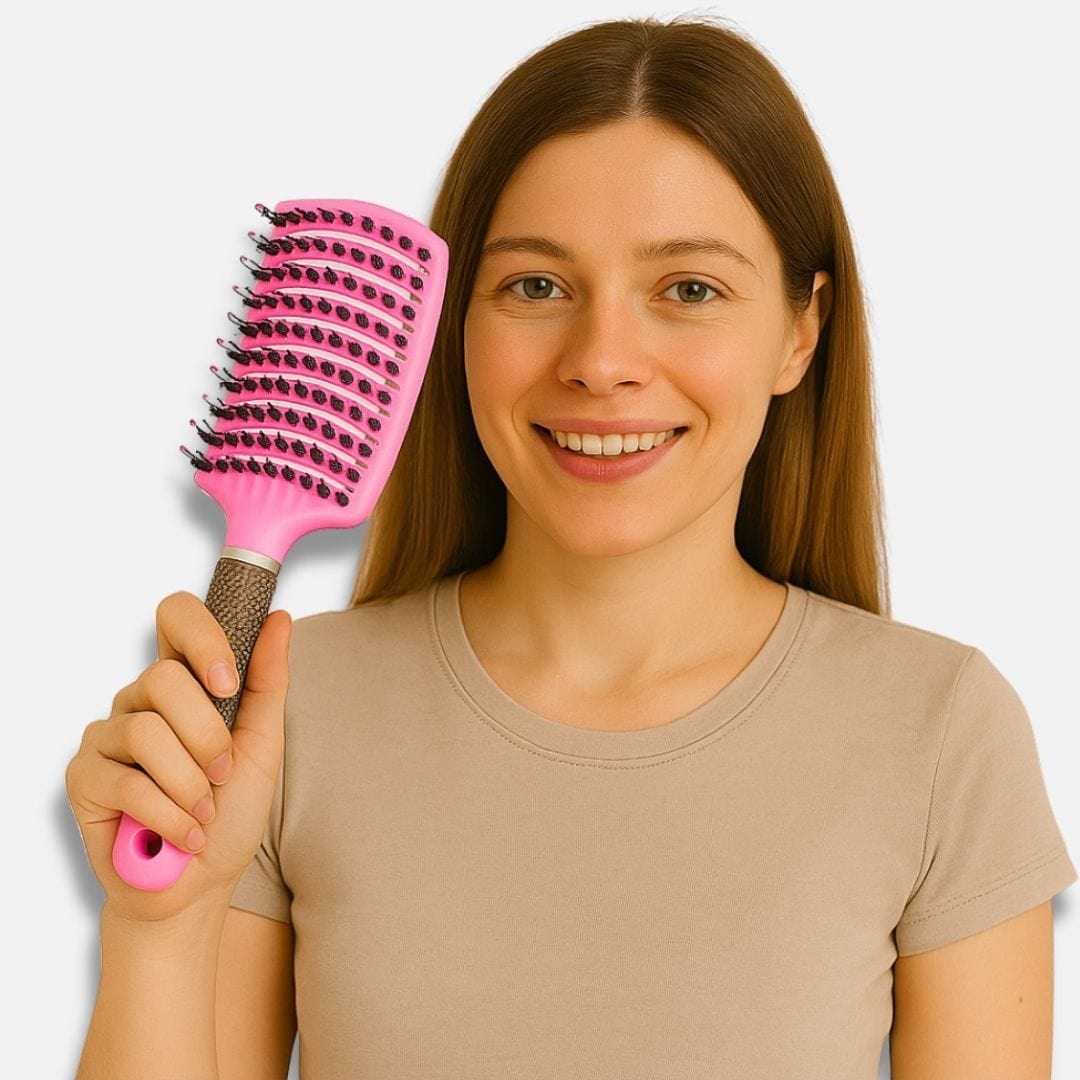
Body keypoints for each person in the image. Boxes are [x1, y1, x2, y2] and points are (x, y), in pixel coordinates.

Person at [66, 15, 1076, 1079]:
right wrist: (157, 929)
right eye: (536, 287)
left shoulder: (940, 733)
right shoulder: (283, 717)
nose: (602, 360)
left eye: (689, 289)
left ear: (800, 330)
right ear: (452, 325)